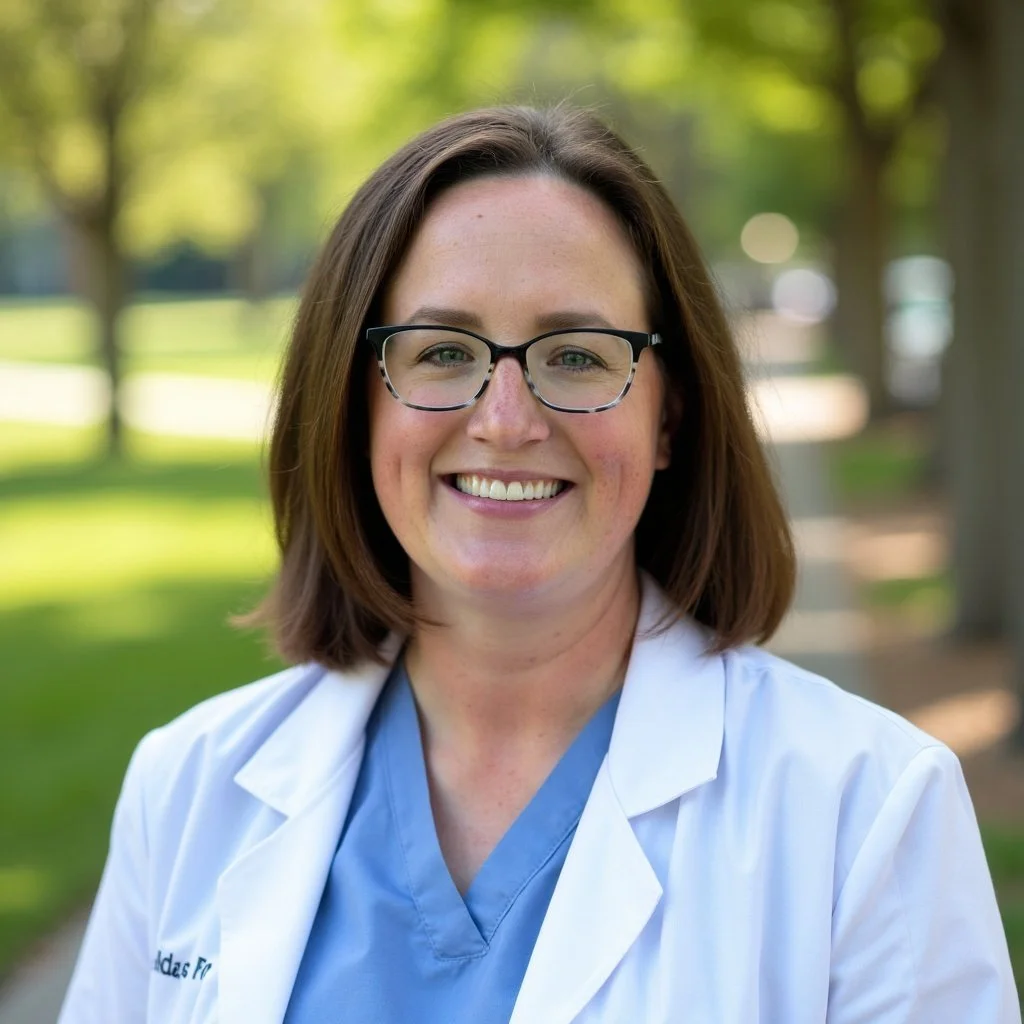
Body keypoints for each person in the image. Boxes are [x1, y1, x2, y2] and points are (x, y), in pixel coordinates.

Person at [58, 105, 1019, 1024]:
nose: (507, 420)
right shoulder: (189, 786)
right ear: (356, 407)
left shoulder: (865, 807)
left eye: (576, 355)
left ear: (669, 416)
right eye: (440, 350)